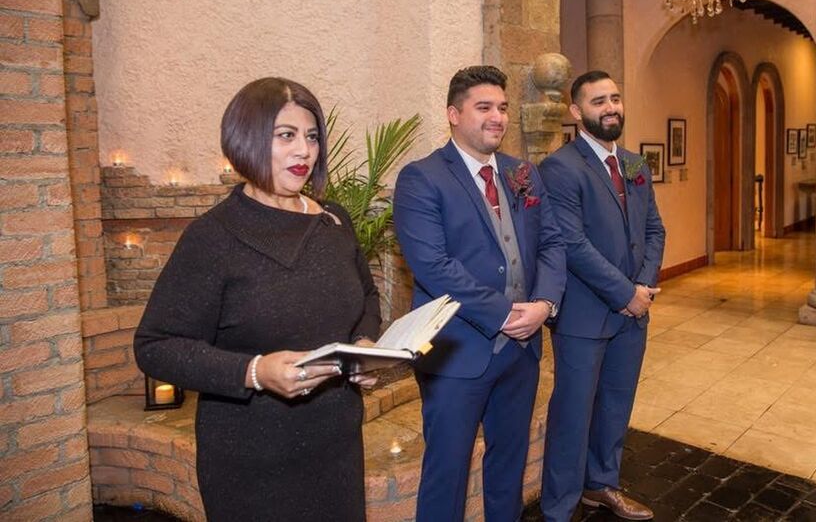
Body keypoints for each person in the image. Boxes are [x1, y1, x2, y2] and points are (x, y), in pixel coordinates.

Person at [134, 77, 381, 521]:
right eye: (286, 136)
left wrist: (364, 345)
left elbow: (365, 295)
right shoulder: (212, 237)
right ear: (246, 139)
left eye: (311, 137)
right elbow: (156, 346)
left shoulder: (334, 220)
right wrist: (255, 371)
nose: (304, 151)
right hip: (251, 459)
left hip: (336, 442)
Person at [393, 65, 566, 522]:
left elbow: (552, 242)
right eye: (484, 107)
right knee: (447, 471)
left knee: (509, 463)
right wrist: (506, 314)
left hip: (521, 352)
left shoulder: (522, 172)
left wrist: (545, 303)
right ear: (453, 114)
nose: (498, 117)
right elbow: (433, 266)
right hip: (457, 352)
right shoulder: (421, 178)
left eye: (503, 108)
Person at [539, 70, 666, 521]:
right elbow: (572, 244)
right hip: (584, 316)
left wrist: (642, 288)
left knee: (615, 406)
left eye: (615, 98)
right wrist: (624, 292)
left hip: (633, 313)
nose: (610, 107)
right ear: (576, 112)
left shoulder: (634, 164)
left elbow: (654, 229)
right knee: (573, 414)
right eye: (598, 101)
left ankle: (601, 485)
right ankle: (558, 507)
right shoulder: (560, 168)